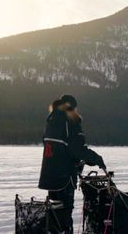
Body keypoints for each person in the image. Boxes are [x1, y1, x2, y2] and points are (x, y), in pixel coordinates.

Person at [39, 94, 106, 233]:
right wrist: (97, 159)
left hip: (49, 177)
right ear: (72, 107)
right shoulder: (71, 121)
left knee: (55, 216)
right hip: (64, 177)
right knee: (65, 215)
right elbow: (78, 150)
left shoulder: (51, 120)